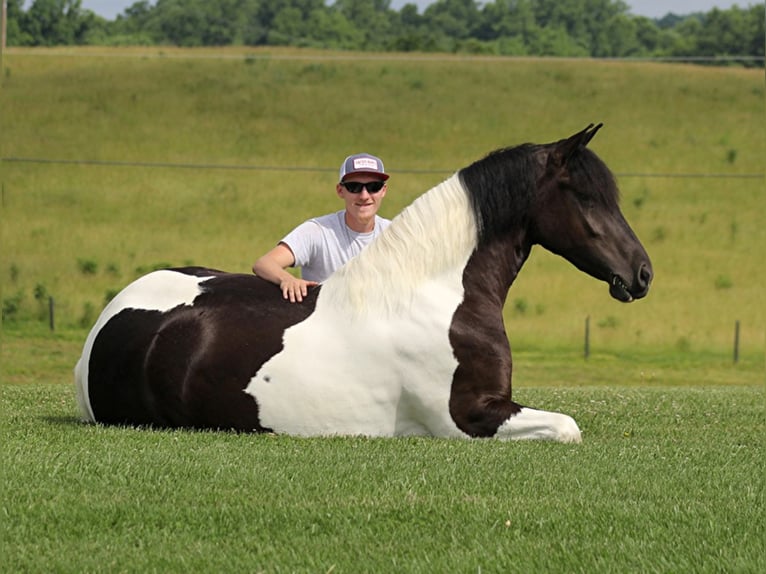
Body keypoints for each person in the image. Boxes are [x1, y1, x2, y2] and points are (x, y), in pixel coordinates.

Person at [252, 153, 392, 302]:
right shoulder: (317, 231)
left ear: (383, 191)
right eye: (354, 187)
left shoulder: (396, 235)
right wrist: (287, 279)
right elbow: (265, 263)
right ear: (340, 190)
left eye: (373, 187)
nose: (364, 196)